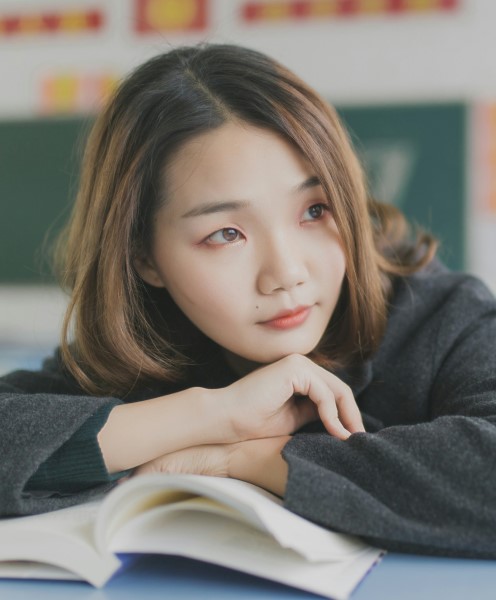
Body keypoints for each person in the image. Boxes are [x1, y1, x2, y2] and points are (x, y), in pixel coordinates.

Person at [1, 43, 496, 559]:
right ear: (144, 257)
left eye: (315, 209)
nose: (287, 274)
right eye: (227, 233)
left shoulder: (443, 316)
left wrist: (249, 459)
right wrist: (211, 415)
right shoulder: (146, 349)